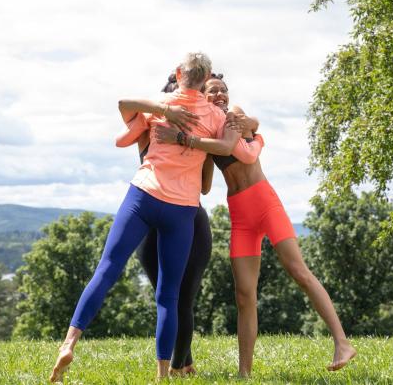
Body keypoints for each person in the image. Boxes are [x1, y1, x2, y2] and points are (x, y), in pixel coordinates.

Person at [49, 52, 241, 382]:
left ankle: (69, 343)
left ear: (179, 73)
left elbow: (123, 105)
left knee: (107, 269)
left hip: (144, 195)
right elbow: (226, 148)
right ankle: (163, 375)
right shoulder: (214, 115)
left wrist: (163, 110)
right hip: (182, 209)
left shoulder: (161, 103)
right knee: (168, 296)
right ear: (207, 76)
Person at [153, 74, 357, 376]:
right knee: (244, 295)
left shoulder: (234, 117)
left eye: (223, 89)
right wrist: (187, 161)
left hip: (264, 203)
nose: (220, 94)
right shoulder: (209, 129)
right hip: (239, 214)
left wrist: (200, 139)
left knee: (298, 271)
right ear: (200, 95)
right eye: (212, 91)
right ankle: (244, 373)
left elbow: (246, 133)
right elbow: (207, 185)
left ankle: (342, 342)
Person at [113, 74, 215, 376]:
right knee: (165, 297)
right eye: (172, 97)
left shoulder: (200, 134)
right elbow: (125, 114)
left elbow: (206, 187)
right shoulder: (148, 128)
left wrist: (195, 147)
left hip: (188, 219)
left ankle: (177, 366)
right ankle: (184, 363)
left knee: (183, 298)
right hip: (150, 220)